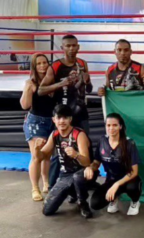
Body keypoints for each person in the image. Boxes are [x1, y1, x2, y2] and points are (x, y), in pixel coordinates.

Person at [34, 105, 93, 219]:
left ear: (70, 119)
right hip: (65, 174)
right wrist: (37, 149)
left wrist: (76, 155)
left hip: (82, 172)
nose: (62, 121)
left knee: (77, 177)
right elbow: (41, 157)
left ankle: (82, 203)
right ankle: (72, 192)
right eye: (59, 117)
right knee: (47, 210)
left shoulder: (79, 134)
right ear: (54, 119)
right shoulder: (54, 135)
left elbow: (87, 162)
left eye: (65, 117)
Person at [84, 113, 142, 216]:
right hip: (111, 179)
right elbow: (96, 162)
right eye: (108, 125)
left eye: (115, 125)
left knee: (132, 188)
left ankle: (135, 202)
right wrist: (90, 168)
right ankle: (114, 198)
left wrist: (116, 184)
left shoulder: (129, 143)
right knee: (95, 204)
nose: (111, 128)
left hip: (128, 179)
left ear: (120, 126)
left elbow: (134, 171)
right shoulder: (102, 141)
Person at [39, 34, 92, 132]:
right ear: (62, 48)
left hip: (81, 113)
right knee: (62, 141)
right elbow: (40, 91)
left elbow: (89, 89)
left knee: (84, 141)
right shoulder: (55, 66)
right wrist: (61, 84)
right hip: (62, 114)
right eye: (68, 46)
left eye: (74, 45)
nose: (71, 48)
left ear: (78, 47)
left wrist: (88, 81)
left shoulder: (82, 64)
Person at [20, 54, 54, 201]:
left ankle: (46, 183)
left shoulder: (53, 80)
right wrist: (28, 89)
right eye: (39, 63)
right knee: (36, 155)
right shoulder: (31, 82)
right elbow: (25, 105)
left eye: (44, 62)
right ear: (34, 66)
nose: (42, 66)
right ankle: (35, 188)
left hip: (52, 121)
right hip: (36, 121)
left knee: (47, 155)